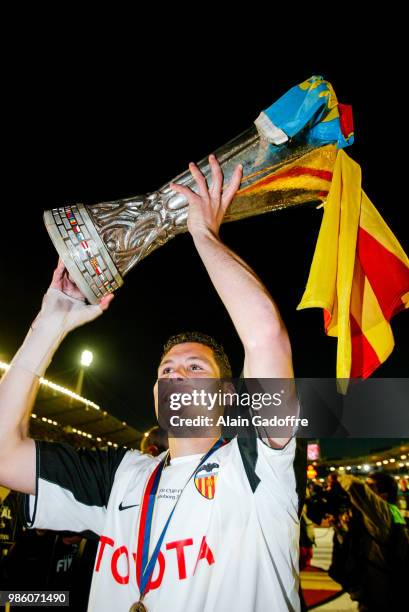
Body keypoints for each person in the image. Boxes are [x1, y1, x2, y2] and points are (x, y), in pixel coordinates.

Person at [0, 155, 302, 611]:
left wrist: (201, 232)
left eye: (195, 369)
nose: (176, 374)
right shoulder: (121, 477)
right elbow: (3, 454)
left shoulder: (258, 462)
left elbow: (266, 336)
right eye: (166, 371)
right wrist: (50, 323)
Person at [328, 471, 409, 611]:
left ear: (384, 495)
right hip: (376, 592)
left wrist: (338, 476)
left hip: (384, 595)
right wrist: (342, 529)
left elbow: (354, 486)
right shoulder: (386, 515)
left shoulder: (384, 512)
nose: (366, 490)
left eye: (370, 486)